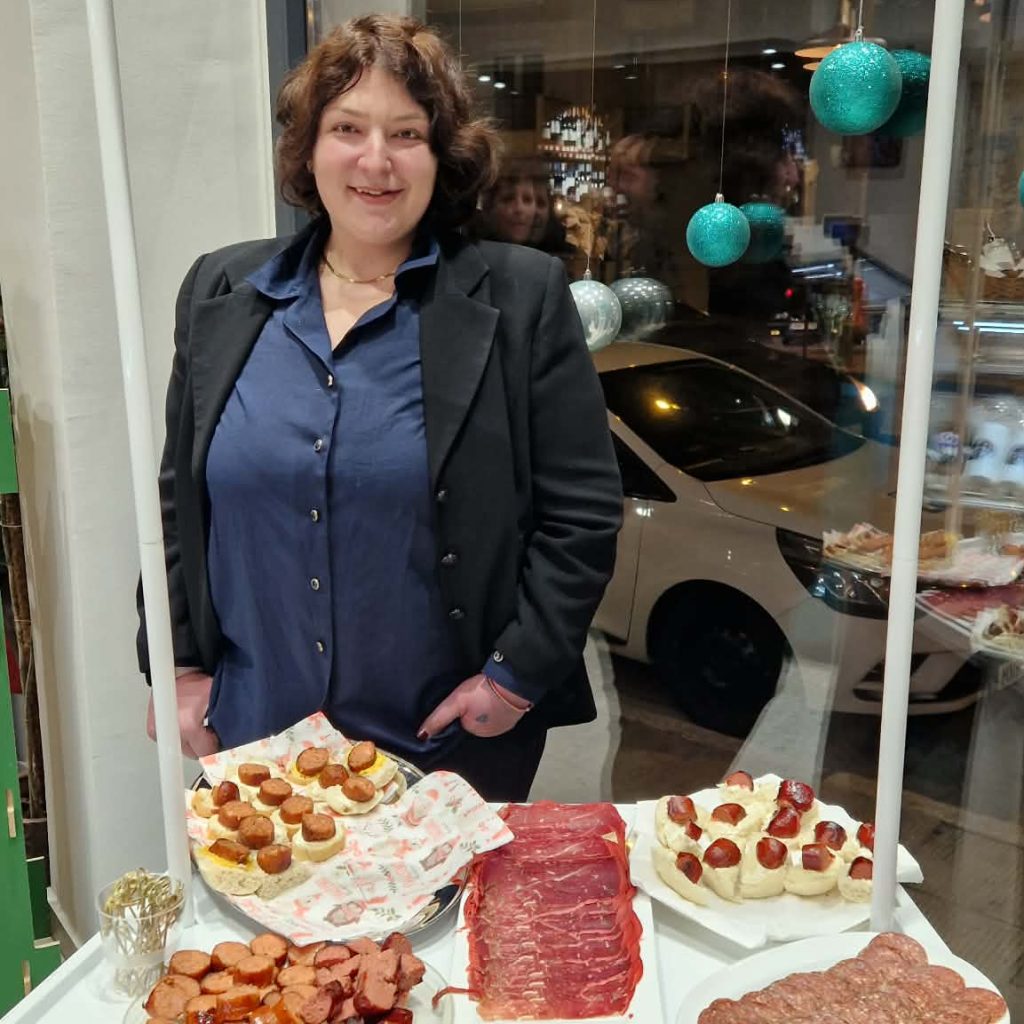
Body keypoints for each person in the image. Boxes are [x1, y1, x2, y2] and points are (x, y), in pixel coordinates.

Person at [137, 14, 623, 802]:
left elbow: (583, 513)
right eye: (347, 128)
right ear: (308, 147)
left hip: (440, 756)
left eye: (406, 134)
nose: (376, 160)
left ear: (441, 155)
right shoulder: (220, 293)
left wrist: (512, 679)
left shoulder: (520, 297)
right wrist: (177, 663)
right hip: (256, 748)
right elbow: (180, 504)